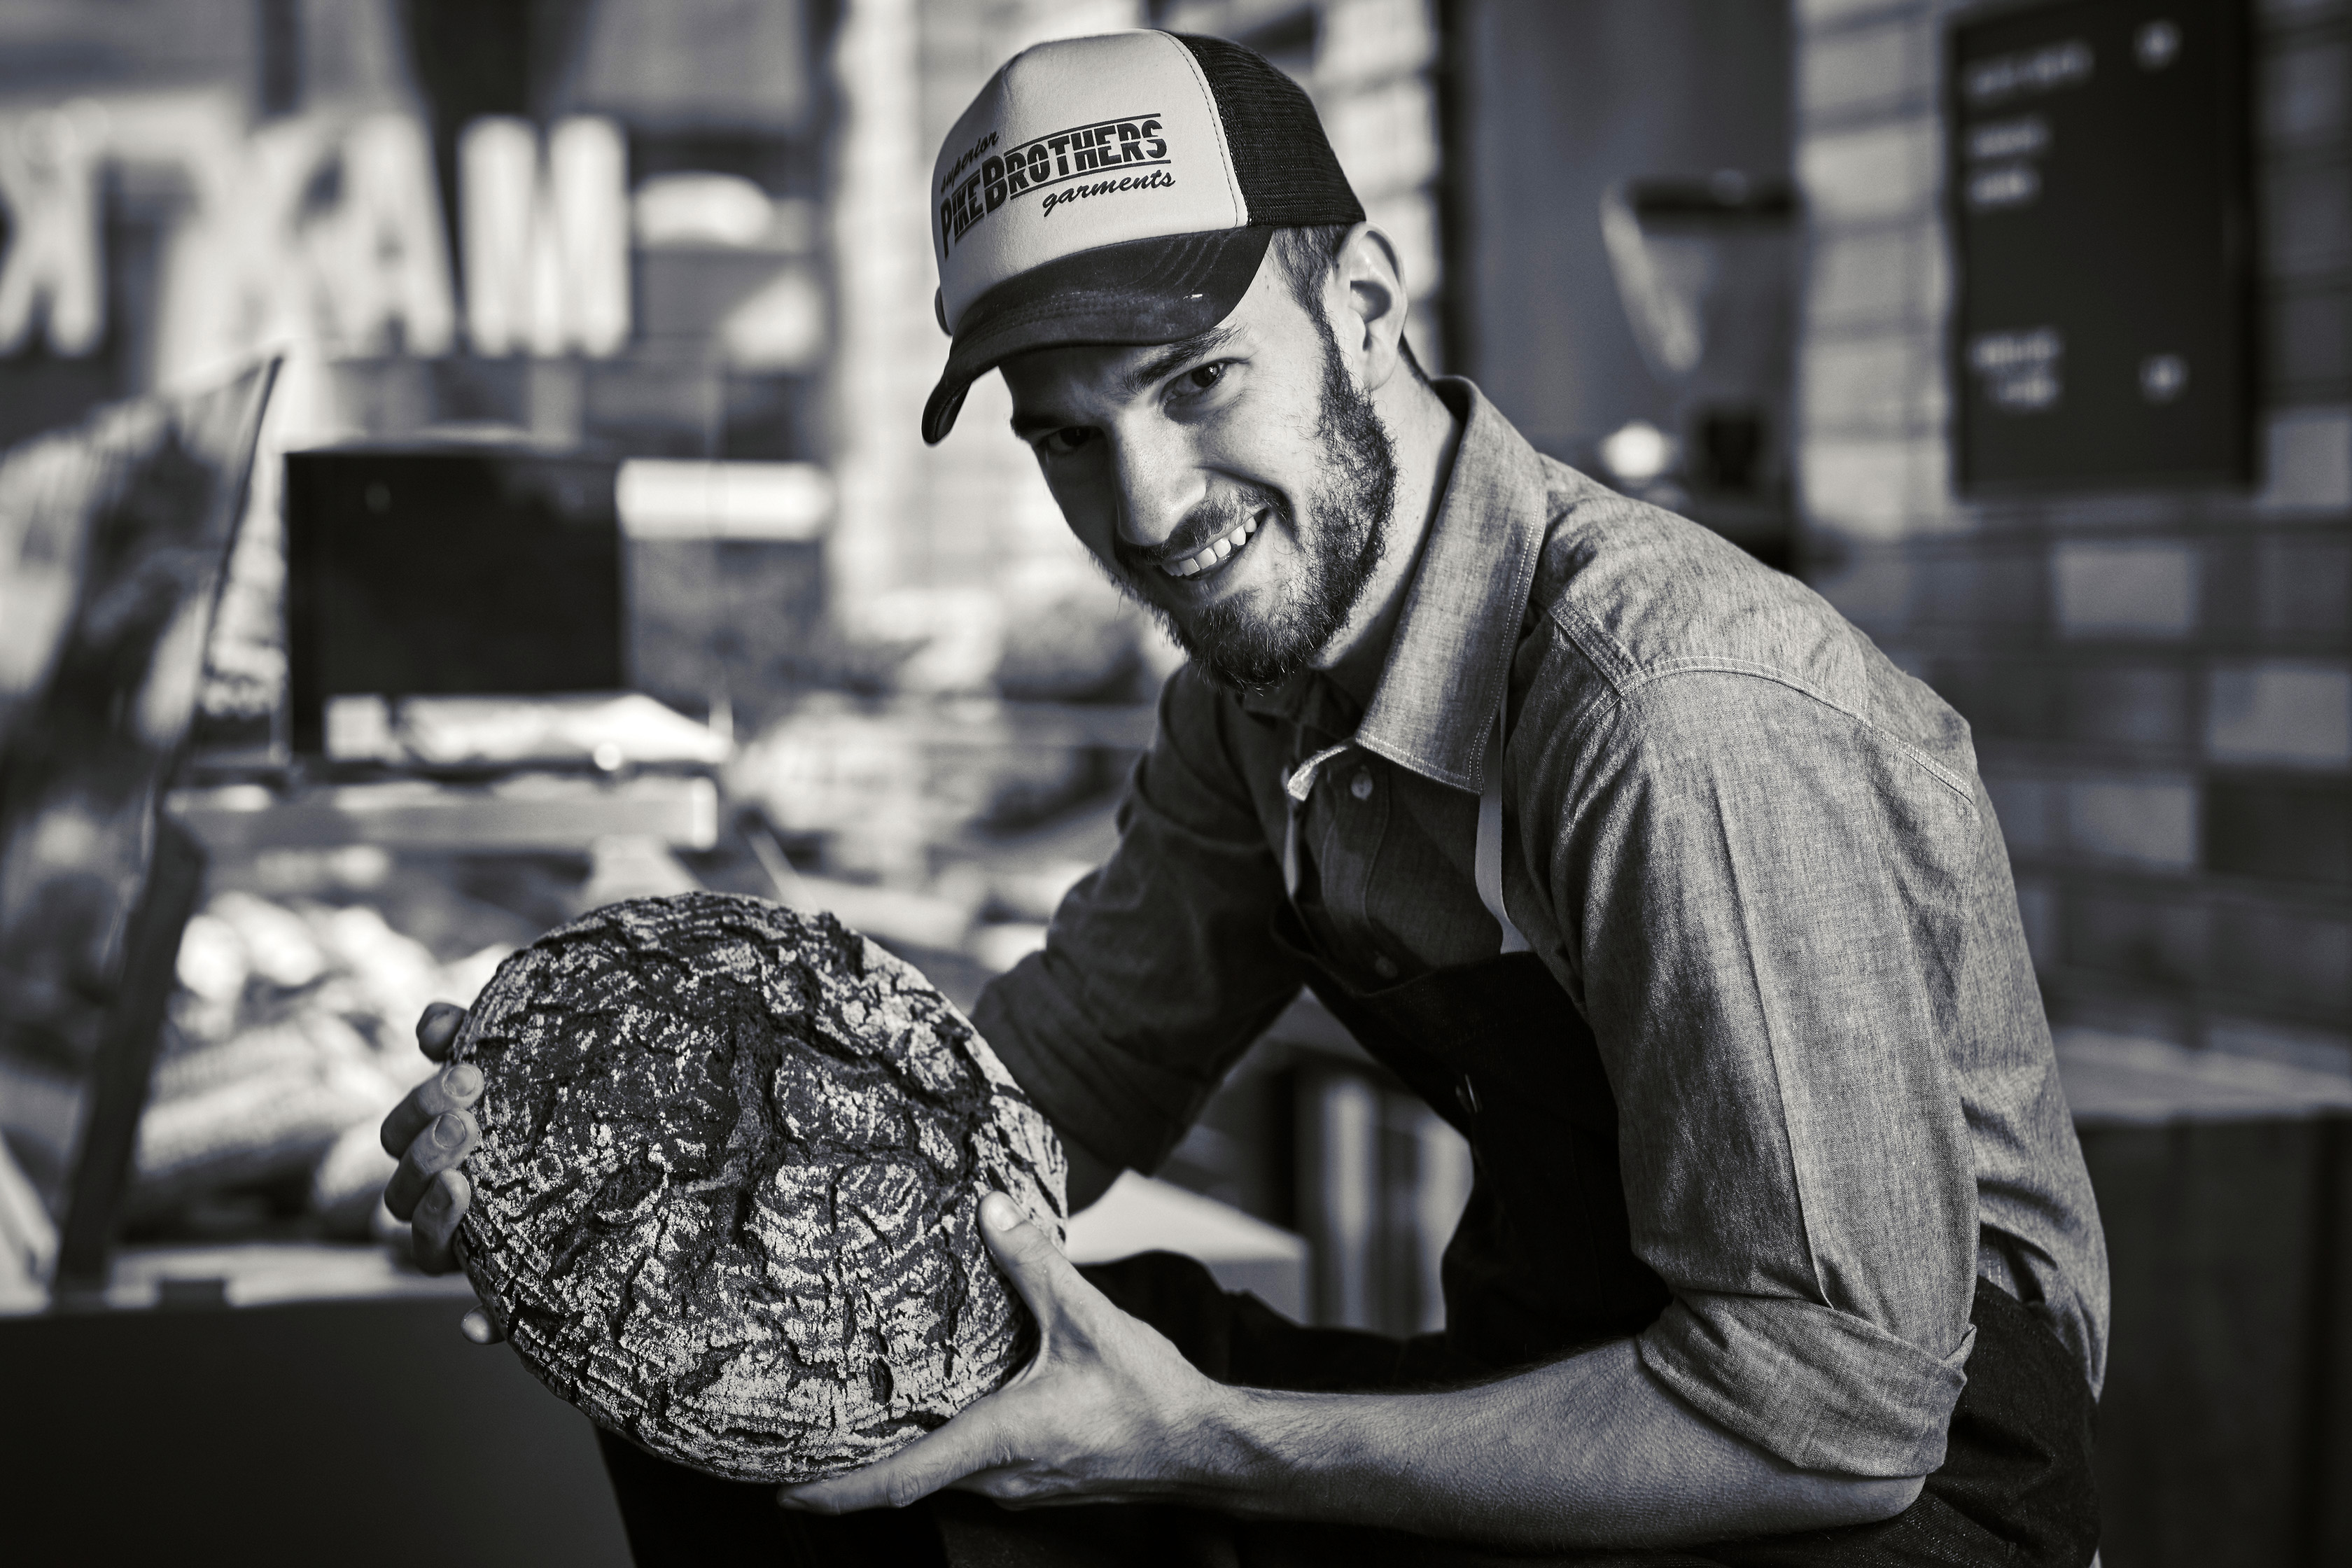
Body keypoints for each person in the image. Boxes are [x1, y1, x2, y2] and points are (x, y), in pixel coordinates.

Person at [382, 30, 2107, 1567]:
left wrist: (1199, 1439)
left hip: (1888, 1508)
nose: (1145, 512)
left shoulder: (1669, 710)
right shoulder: (1254, 701)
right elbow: (1048, 1097)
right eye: (1067, 436)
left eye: (1196, 381)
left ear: (1364, 302)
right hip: (1548, 1401)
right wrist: (637, 1183)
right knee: (790, 1428)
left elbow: (1841, 1411)